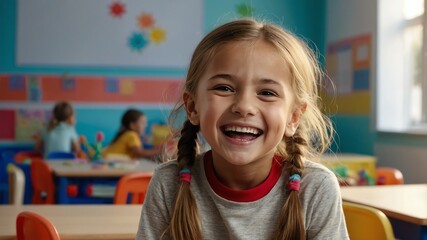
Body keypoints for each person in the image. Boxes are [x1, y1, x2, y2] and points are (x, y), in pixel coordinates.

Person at [136, 18, 349, 240]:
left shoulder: (315, 188)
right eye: (224, 88)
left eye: (267, 93)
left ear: (293, 117)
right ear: (192, 107)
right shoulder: (168, 183)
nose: (244, 107)